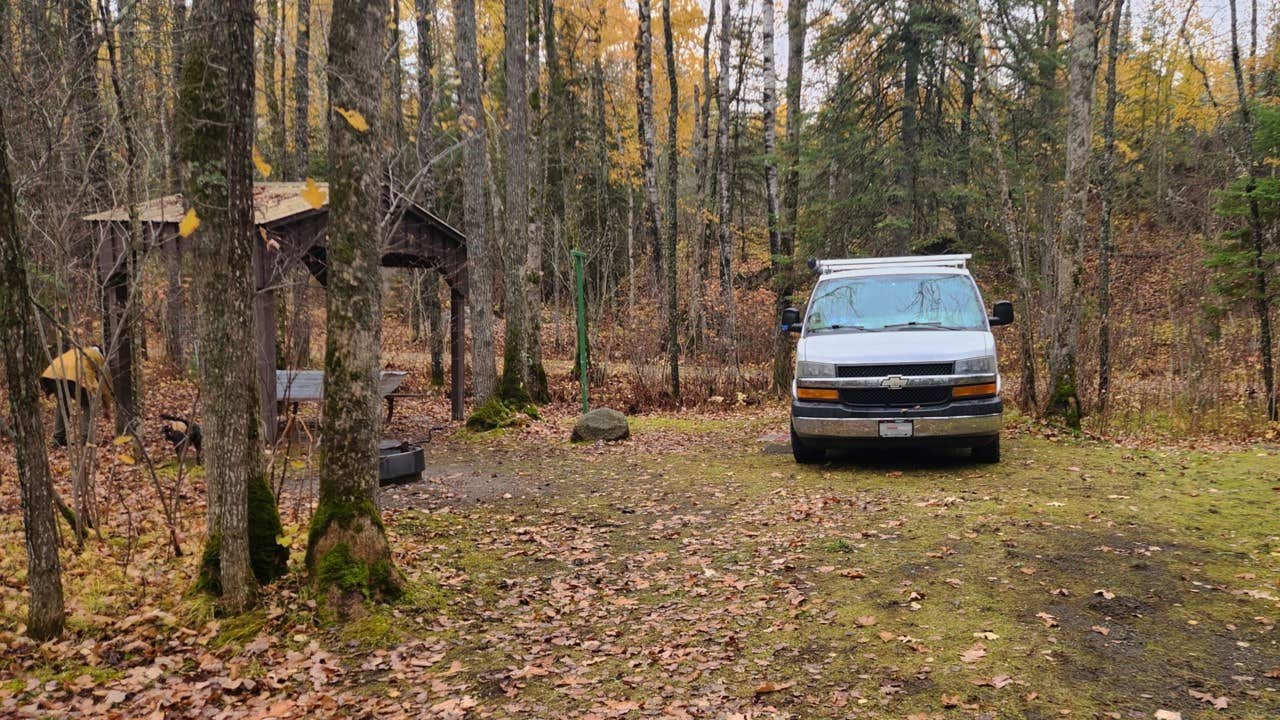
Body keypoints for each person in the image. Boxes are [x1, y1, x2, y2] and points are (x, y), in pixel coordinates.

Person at [39, 344, 111, 447]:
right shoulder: (97, 355)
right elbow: (104, 382)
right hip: (75, 376)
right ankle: (86, 439)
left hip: (53, 375)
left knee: (63, 404)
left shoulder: (76, 350)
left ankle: (58, 439)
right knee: (89, 404)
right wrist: (106, 407)